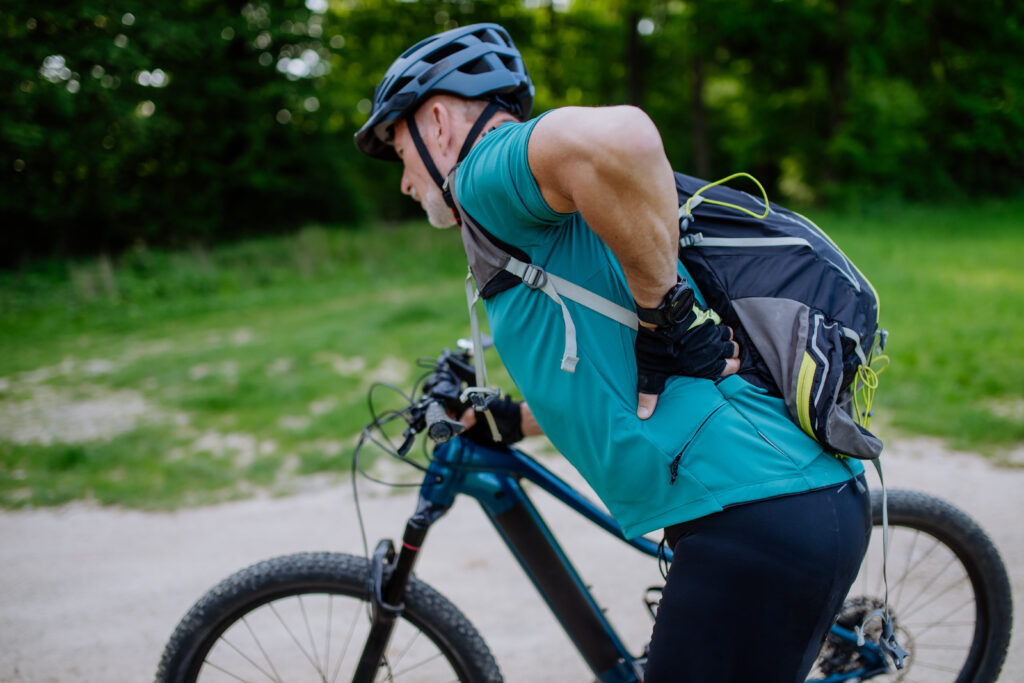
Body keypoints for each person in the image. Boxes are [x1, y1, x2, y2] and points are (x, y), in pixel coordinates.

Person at [355, 23, 870, 682]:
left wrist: (667, 315)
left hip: (753, 517)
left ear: (437, 123)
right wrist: (516, 421)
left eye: (399, 149)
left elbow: (623, 134)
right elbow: (616, 367)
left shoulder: (484, 172)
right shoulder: (528, 215)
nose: (402, 181)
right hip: (770, 511)